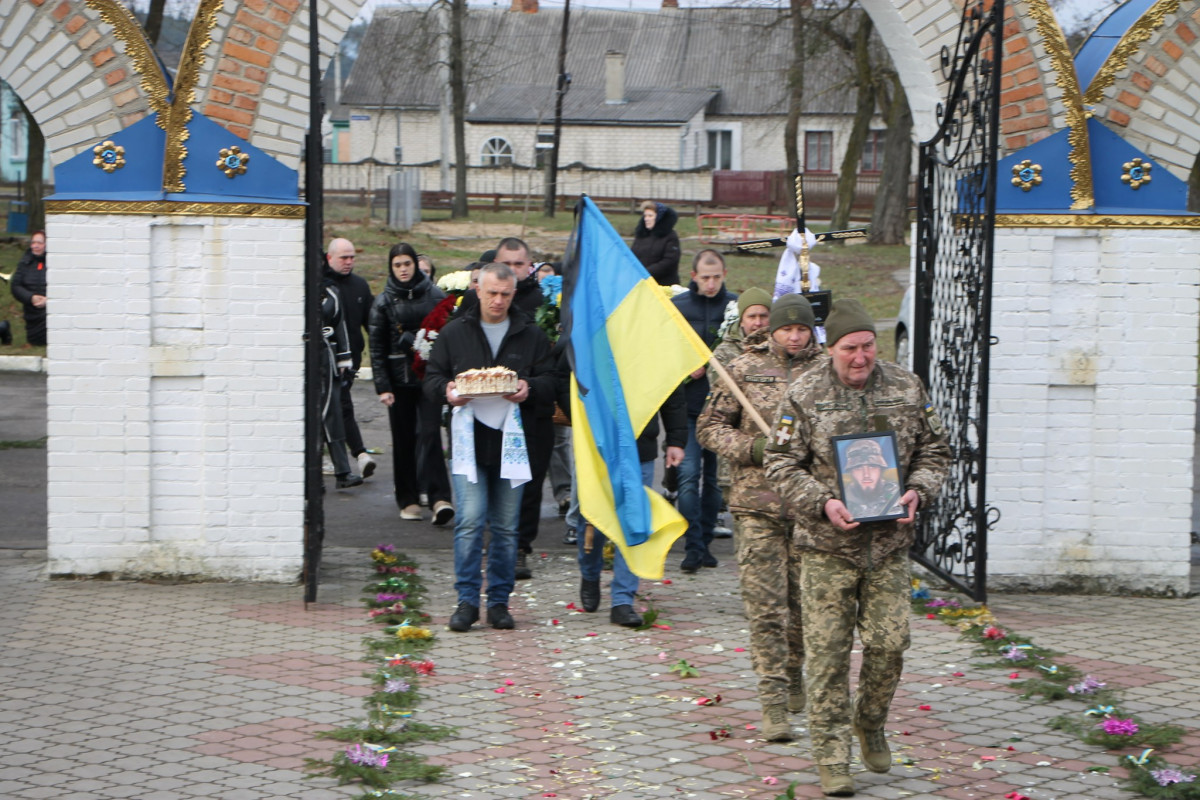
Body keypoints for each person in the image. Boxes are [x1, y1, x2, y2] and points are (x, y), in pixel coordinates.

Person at [764, 299, 950, 797]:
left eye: (868, 346)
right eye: (850, 348)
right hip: (826, 547)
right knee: (826, 655)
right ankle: (831, 756)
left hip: (888, 544)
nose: (861, 357)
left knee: (890, 645)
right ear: (831, 348)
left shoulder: (907, 387)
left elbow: (936, 450)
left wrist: (919, 490)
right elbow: (780, 463)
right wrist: (823, 503)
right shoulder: (804, 393)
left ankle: (869, 721)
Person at [697, 293, 822, 743]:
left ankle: (794, 671)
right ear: (771, 331)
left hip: (811, 509)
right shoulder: (745, 368)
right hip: (758, 506)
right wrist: (751, 449)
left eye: (801, 328)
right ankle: (773, 700)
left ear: (811, 330)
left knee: (804, 606)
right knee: (766, 607)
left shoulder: (827, 372)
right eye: (786, 328)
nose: (793, 335)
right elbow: (709, 427)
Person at [423, 262, 554, 632]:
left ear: (514, 294)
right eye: (492, 293)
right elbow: (432, 379)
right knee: (468, 521)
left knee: (507, 527)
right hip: (469, 443)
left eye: (505, 295)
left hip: (513, 443)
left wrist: (529, 389)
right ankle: (466, 601)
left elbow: (551, 381)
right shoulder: (454, 333)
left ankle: (498, 602)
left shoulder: (530, 334)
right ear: (477, 289)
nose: (498, 301)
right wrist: (447, 392)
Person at [569, 376, 687, 626]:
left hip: (638, 445)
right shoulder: (588, 335)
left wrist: (676, 439)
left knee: (633, 519)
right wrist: (579, 415)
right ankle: (589, 573)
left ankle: (622, 599)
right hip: (596, 443)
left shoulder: (650, 339)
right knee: (593, 518)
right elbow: (564, 375)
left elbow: (669, 386)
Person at [369, 242, 454, 525]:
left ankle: (440, 497)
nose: (403, 270)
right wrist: (383, 386)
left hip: (429, 378)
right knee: (404, 440)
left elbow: (446, 335)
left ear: (416, 265)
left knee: (430, 435)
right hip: (398, 381)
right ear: (391, 268)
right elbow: (377, 348)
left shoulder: (434, 294)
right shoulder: (383, 301)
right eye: (397, 265)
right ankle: (408, 499)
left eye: (407, 264)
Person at [492, 237, 556, 579]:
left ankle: (520, 547)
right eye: (508, 264)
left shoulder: (548, 301)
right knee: (494, 479)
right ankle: (496, 540)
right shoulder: (483, 299)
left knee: (529, 484)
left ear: (530, 266)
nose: (514, 271)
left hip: (534, 409)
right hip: (491, 411)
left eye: (520, 264)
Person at [671, 249, 737, 573]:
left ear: (725, 274)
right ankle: (692, 544)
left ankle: (707, 541)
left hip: (724, 412)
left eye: (717, 277)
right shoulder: (678, 308)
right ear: (694, 276)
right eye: (705, 277)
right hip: (687, 407)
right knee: (687, 477)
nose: (711, 284)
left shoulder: (735, 308)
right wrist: (686, 371)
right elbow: (663, 356)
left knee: (713, 482)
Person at [709, 287, 773, 540]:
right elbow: (722, 408)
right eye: (752, 316)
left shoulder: (781, 350)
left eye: (764, 316)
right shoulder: (725, 355)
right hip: (741, 451)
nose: (758, 323)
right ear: (742, 320)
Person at [325, 238, 377, 479]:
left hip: (352, 360)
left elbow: (371, 324)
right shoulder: (321, 286)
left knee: (339, 407)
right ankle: (359, 454)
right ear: (329, 258)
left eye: (352, 257)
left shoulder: (360, 286)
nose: (349, 262)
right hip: (326, 359)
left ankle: (349, 456)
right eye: (343, 257)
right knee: (341, 405)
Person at [319, 270, 363, 489]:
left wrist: (344, 359)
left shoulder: (330, 291)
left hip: (326, 359)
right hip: (302, 358)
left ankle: (342, 472)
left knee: (333, 414)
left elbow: (340, 325)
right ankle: (311, 475)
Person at [841, 439, 904, 520]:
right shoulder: (842, 499)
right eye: (858, 468)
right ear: (851, 472)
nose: (866, 475)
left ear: (881, 469)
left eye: (872, 466)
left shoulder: (896, 494)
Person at [631, 200, 682, 286]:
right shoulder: (641, 235)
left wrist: (646, 273)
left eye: (650, 216)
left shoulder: (670, 236)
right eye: (645, 216)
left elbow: (669, 261)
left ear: (659, 217)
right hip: (642, 284)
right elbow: (633, 255)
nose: (646, 219)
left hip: (663, 285)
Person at [10, 231, 47, 346]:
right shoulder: (24, 263)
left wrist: (49, 300)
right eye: (33, 242)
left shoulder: (57, 262)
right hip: (32, 316)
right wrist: (31, 298)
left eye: (39, 243)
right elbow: (15, 286)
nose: (35, 246)